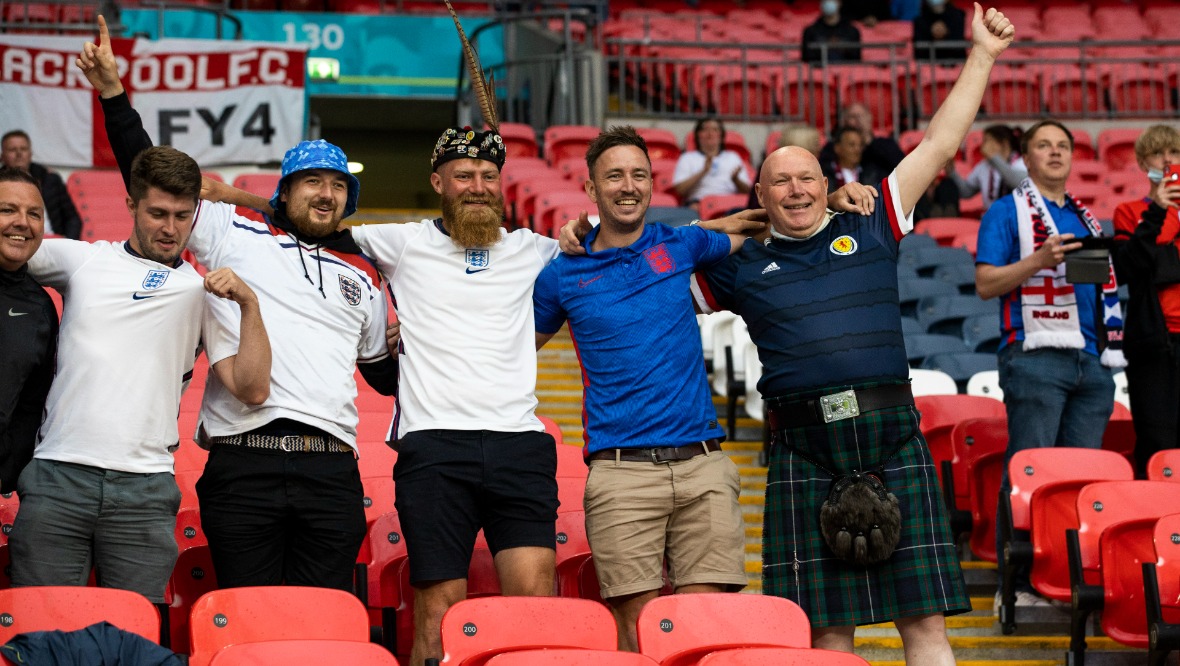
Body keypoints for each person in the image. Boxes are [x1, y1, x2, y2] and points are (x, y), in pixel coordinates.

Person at [692, 5, 1014, 662]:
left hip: (892, 438)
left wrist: (981, 54)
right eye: (780, 180)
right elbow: (651, 276)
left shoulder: (871, 226)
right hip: (803, 452)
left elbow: (940, 147)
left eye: (807, 176)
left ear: (829, 182)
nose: (797, 189)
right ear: (760, 191)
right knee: (826, 633)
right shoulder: (739, 265)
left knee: (924, 623)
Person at [78, 15, 399, 593]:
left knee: (321, 622)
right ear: (285, 190)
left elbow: (384, 379)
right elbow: (155, 177)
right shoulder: (233, 231)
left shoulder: (367, 273)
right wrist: (112, 95)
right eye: (312, 182)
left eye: (337, 186)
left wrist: (429, 337)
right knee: (250, 614)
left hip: (330, 468)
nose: (326, 193)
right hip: (242, 461)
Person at [536, 126, 768, 652]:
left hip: (702, 465)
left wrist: (837, 201)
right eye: (614, 175)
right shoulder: (561, 274)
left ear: (652, 184)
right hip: (620, 475)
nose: (628, 185)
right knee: (639, 634)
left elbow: (761, 224)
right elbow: (515, 350)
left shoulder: (680, 243)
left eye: (639, 174)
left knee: (705, 628)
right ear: (591, 189)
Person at [9, 144, 271, 604]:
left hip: (145, 489)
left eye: (182, 216)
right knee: (42, 631)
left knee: (132, 641)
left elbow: (251, 388)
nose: (170, 229)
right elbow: (11, 250)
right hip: (57, 475)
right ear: (131, 205)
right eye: (157, 213)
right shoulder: (83, 260)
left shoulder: (204, 291)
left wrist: (250, 305)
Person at [975, 119, 1122, 609]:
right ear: (1026, 157)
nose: (1056, 153)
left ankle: (1066, 582)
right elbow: (986, 284)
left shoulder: (1088, 219)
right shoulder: (1004, 211)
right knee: (1029, 475)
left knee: (1081, 485)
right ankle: (1013, 588)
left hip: (1091, 361)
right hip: (1035, 357)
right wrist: (1037, 261)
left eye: (1063, 146)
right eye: (1044, 145)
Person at [1111, 125, 1180, 476]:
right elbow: (1127, 268)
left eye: (1175, 152)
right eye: (1158, 153)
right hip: (1154, 343)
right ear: (1142, 163)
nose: (1167, 160)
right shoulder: (1129, 211)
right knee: (1158, 441)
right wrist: (1157, 211)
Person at [0, 168, 56, 495]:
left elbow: (29, 411)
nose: (22, 222)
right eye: (8, 210)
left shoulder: (39, 307)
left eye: (33, 214)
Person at [1, 131, 83, 240]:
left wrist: (68, 242)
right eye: (12, 150)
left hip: (53, 241)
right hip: (12, 239)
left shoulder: (50, 179)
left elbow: (72, 219)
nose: (19, 153)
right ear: (2, 156)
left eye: (23, 149)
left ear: (30, 154)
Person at [672, 118, 750, 208]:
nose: (710, 134)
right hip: (699, 203)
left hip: (730, 203)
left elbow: (748, 191)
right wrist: (703, 171)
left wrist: (736, 180)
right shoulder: (687, 158)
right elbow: (680, 190)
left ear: (721, 136)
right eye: (705, 129)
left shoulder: (733, 157)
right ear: (698, 135)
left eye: (715, 130)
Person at [949, 124, 1026, 213]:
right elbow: (966, 192)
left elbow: (1019, 183)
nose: (983, 145)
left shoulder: (1022, 162)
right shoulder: (984, 166)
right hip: (992, 218)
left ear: (1004, 143)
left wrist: (994, 158)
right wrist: (951, 171)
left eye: (987, 140)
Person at [818, 103, 904, 182]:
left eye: (862, 116)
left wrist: (868, 141)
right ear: (845, 121)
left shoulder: (886, 144)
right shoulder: (832, 146)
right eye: (853, 116)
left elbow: (901, 166)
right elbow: (823, 168)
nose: (858, 120)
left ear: (870, 118)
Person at [822, 126, 888, 194]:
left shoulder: (871, 173)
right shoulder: (825, 174)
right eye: (852, 145)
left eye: (860, 145)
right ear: (837, 148)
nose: (858, 150)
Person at [801, 0, 862, 64]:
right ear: (820, 3)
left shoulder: (852, 31)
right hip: (818, 71)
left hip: (847, 72)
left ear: (839, 3)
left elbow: (856, 58)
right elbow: (806, 59)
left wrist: (842, 47)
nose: (828, 1)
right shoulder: (810, 31)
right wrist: (826, 47)